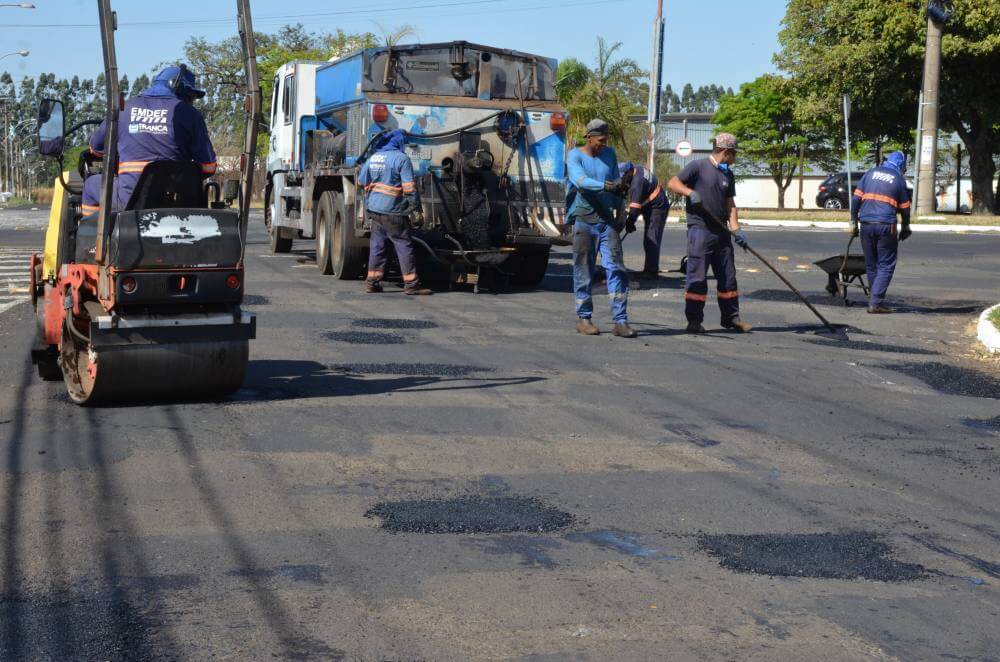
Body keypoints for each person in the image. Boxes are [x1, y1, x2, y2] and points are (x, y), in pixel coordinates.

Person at [89, 65, 217, 212]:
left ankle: (94, 233)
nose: (192, 101)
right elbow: (209, 166)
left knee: (90, 186)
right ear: (184, 92)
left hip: (128, 202)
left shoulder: (123, 110)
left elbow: (95, 149)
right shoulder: (192, 115)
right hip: (176, 205)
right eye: (192, 97)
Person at [667, 133, 752, 334]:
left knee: (728, 277)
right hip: (700, 231)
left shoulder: (727, 174)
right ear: (726, 152)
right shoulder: (698, 167)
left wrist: (736, 229)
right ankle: (694, 321)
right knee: (697, 277)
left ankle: (732, 318)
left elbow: (730, 203)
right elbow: (673, 183)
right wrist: (690, 193)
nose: (735, 159)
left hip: (721, 232)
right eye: (734, 155)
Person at [565, 119, 636, 338]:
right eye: (600, 141)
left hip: (607, 222)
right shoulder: (574, 156)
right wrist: (606, 186)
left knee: (616, 269)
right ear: (589, 137)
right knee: (584, 270)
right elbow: (580, 181)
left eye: (606, 141)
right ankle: (584, 318)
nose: (603, 144)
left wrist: (623, 211)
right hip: (584, 221)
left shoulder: (610, 154)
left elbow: (618, 186)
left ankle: (620, 322)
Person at [357, 129, 432, 295]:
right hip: (393, 211)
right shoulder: (401, 159)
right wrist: (415, 208)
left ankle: (372, 282)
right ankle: (411, 284)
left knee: (378, 245)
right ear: (399, 142)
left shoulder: (373, 158)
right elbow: (409, 188)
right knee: (403, 243)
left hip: (375, 209)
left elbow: (361, 181)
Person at [851, 151, 912, 314]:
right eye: (905, 166)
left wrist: (853, 222)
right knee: (886, 264)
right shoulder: (899, 179)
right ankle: (875, 303)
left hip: (866, 224)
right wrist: (906, 226)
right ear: (900, 164)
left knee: (871, 264)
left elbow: (856, 199)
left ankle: (874, 298)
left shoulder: (870, 173)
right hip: (886, 225)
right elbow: (905, 208)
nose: (905, 169)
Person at [619, 161, 671, 278]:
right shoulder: (637, 168)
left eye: (623, 177)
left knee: (651, 239)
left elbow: (635, 208)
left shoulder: (637, 183)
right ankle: (650, 268)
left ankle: (651, 272)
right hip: (649, 202)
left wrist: (630, 222)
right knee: (649, 238)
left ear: (629, 172)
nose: (623, 180)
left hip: (658, 207)